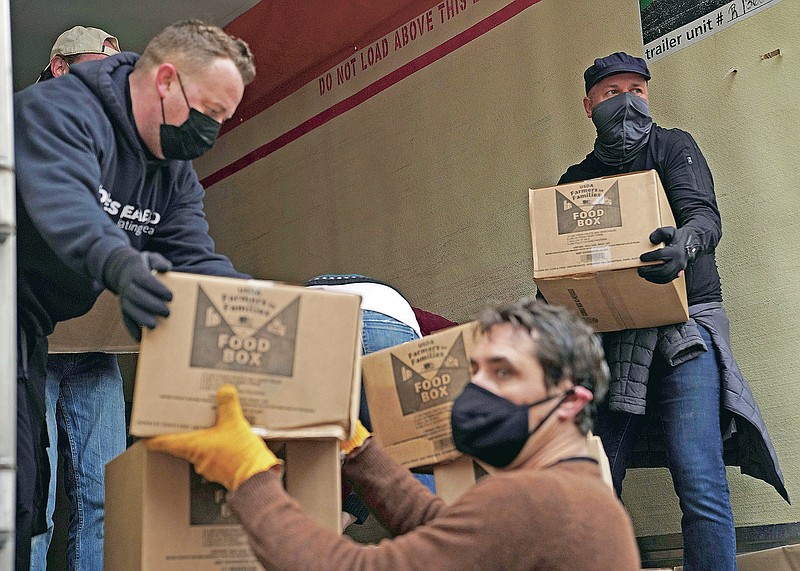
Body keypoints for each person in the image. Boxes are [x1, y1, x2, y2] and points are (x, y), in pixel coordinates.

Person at [145, 299, 642, 570]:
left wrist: (247, 474)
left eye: (504, 373)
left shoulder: (534, 499)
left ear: (570, 401)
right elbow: (440, 527)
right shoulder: (577, 495)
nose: (476, 388)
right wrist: (358, 448)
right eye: (476, 370)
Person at [14, 20, 255, 570]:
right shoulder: (60, 110)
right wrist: (123, 267)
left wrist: (261, 312)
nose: (213, 129)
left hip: (27, 326)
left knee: (27, 488)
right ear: (166, 81)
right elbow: (65, 209)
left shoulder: (173, 173)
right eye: (211, 112)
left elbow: (198, 260)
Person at [557, 52, 788, 570]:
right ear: (588, 105)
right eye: (613, 93)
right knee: (596, 479)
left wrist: (685, 244)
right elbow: (563, 262)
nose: (627, 101)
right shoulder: (577, 180)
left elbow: (704, 215)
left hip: (688, 331)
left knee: (698, 472)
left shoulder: (673, 146)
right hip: (614, 343)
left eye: (637, 91)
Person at [28, 26, 127, 571]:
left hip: (96, 340)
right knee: (30, 501)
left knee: (107, 496)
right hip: (33, 342)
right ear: (63, 68)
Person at [305, 274, 434, 528]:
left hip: (309, 312)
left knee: (310, 450)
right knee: (418, 450)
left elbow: (369, 453)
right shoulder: (429, 330)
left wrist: (347, 514)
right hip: (383, 315)